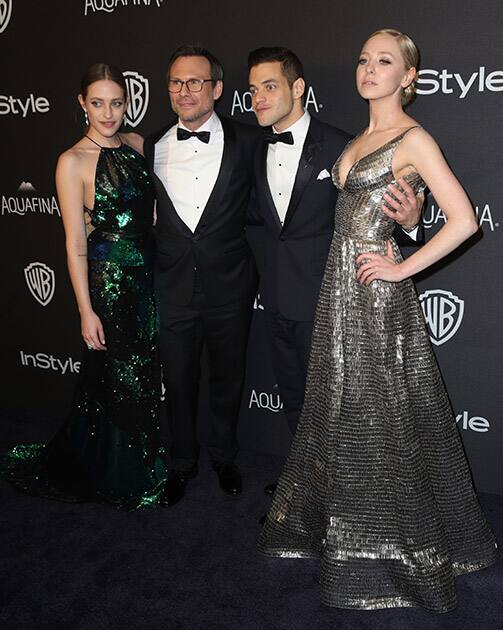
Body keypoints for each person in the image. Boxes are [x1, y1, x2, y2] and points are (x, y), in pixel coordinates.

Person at [258, 30, 498, 612]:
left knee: (383, 420)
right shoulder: (355, 138)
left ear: (408, 78)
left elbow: (464, 220)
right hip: (335, 297)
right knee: (342, 414)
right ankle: (342, 530)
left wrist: (401, 266)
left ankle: (396, 551)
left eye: (384, 61)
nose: (369, 68)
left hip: (375, 299)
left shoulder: (414, 139)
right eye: (363, 58)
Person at [248, 47, 423, 498]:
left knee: (338, 410)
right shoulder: (251, 147)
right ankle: (307, 488)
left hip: (333, 300)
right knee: (295, 401)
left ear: (298, 87)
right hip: (275, 297)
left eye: (270, 86)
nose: (259, 98)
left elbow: (372, 219)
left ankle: (342, 500)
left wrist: (410, 224)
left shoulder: (344, 144)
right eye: (252, 90)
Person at [1, 63, 174, 510]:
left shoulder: (138, 145)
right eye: (97, 103)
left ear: (127, 103)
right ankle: (123, 474)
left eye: (116, 103)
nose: (108, 112)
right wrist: (85, 309)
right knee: (121, 379)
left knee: (144, 374)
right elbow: (75, 239)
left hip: (150, 276)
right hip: (110, 284)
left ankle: (142, 461)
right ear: (82, 104)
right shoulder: (72, 161)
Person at [144, 46, 261, 504]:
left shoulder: (250, 141)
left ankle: (224, 456)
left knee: (228, 376)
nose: (184, 91)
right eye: (176, 82)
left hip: (230, 284)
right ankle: (181, 462)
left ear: (216, 88)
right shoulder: (150, 146)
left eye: (195, 82)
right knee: (176, 378)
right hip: (171, 286)